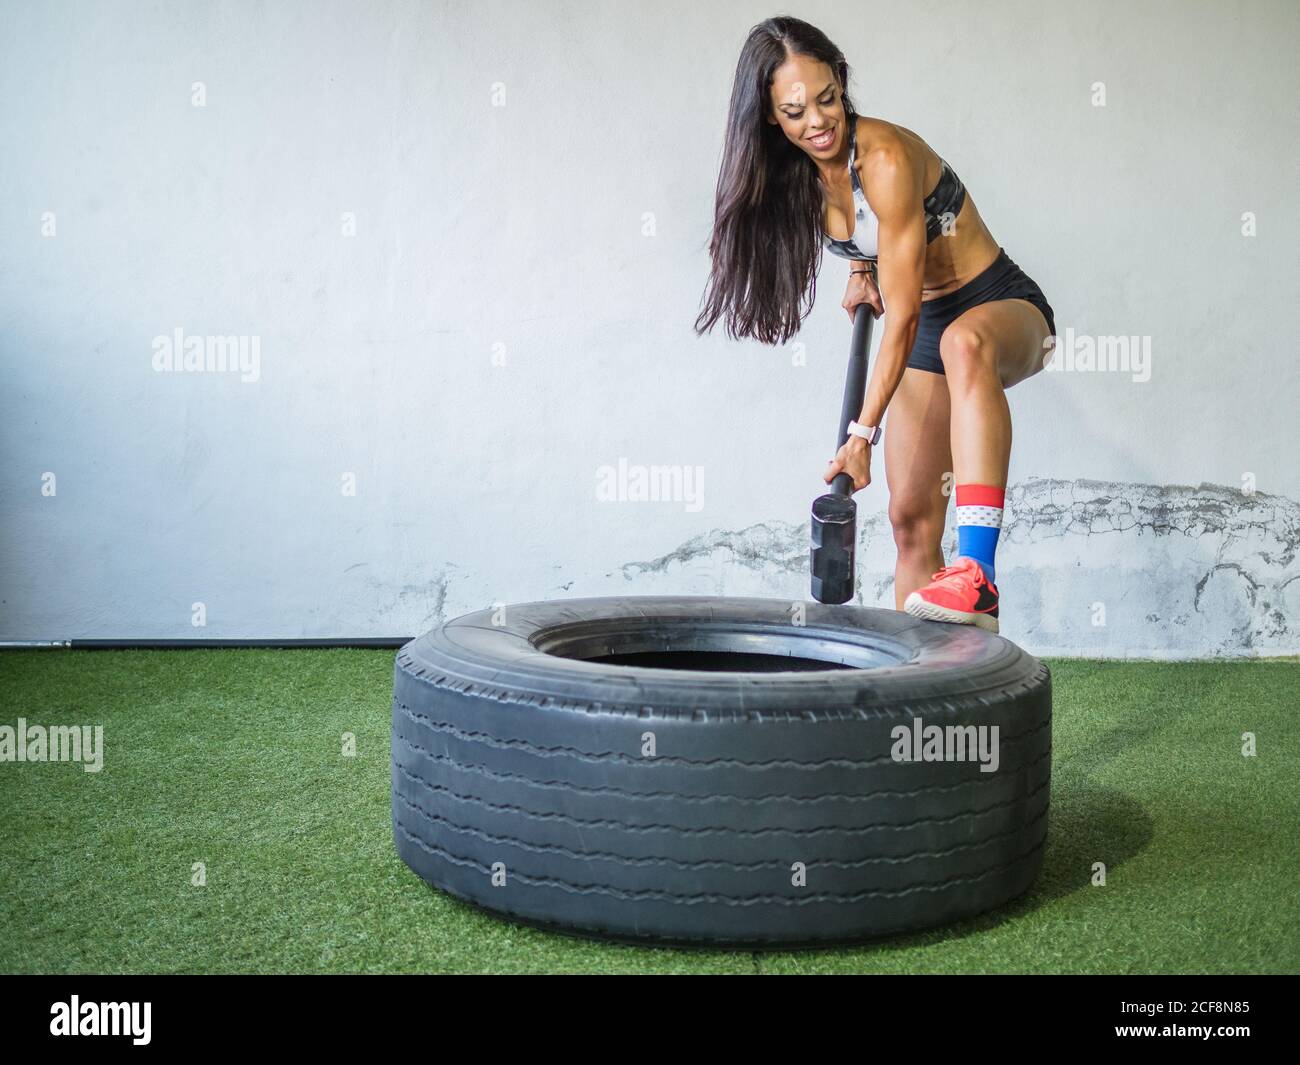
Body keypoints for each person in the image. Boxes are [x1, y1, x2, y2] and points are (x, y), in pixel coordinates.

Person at [694, 15, 1057, 633]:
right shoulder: (798, 178)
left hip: (999, 306)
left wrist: (862, 435)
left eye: (827, 99)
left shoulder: (883, 157)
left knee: (962, 342)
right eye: (794, 111)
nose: (817, 122)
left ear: (841, 80)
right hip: (926, 328)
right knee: (910, 522)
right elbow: (878, 243)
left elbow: (907, 309)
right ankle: (928, 691)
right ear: (771, 119)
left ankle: (978, 577)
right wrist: (864, 265)